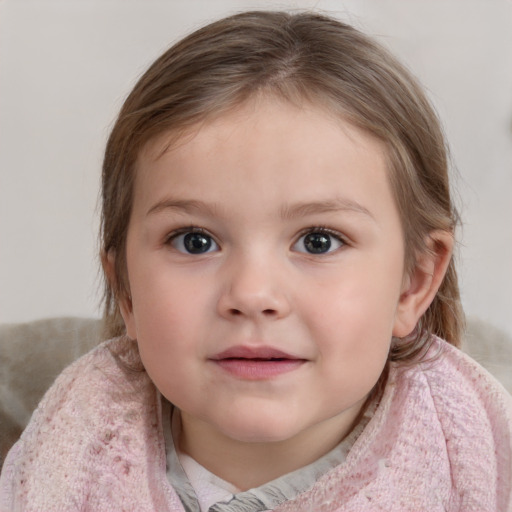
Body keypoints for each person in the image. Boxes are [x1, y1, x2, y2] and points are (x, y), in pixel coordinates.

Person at [1, 10, 511, 511]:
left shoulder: (473, 458)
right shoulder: (67, 448)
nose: (251, 294)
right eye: (194, 241)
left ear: (413, 284)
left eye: (318, 241)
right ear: (126, 290)